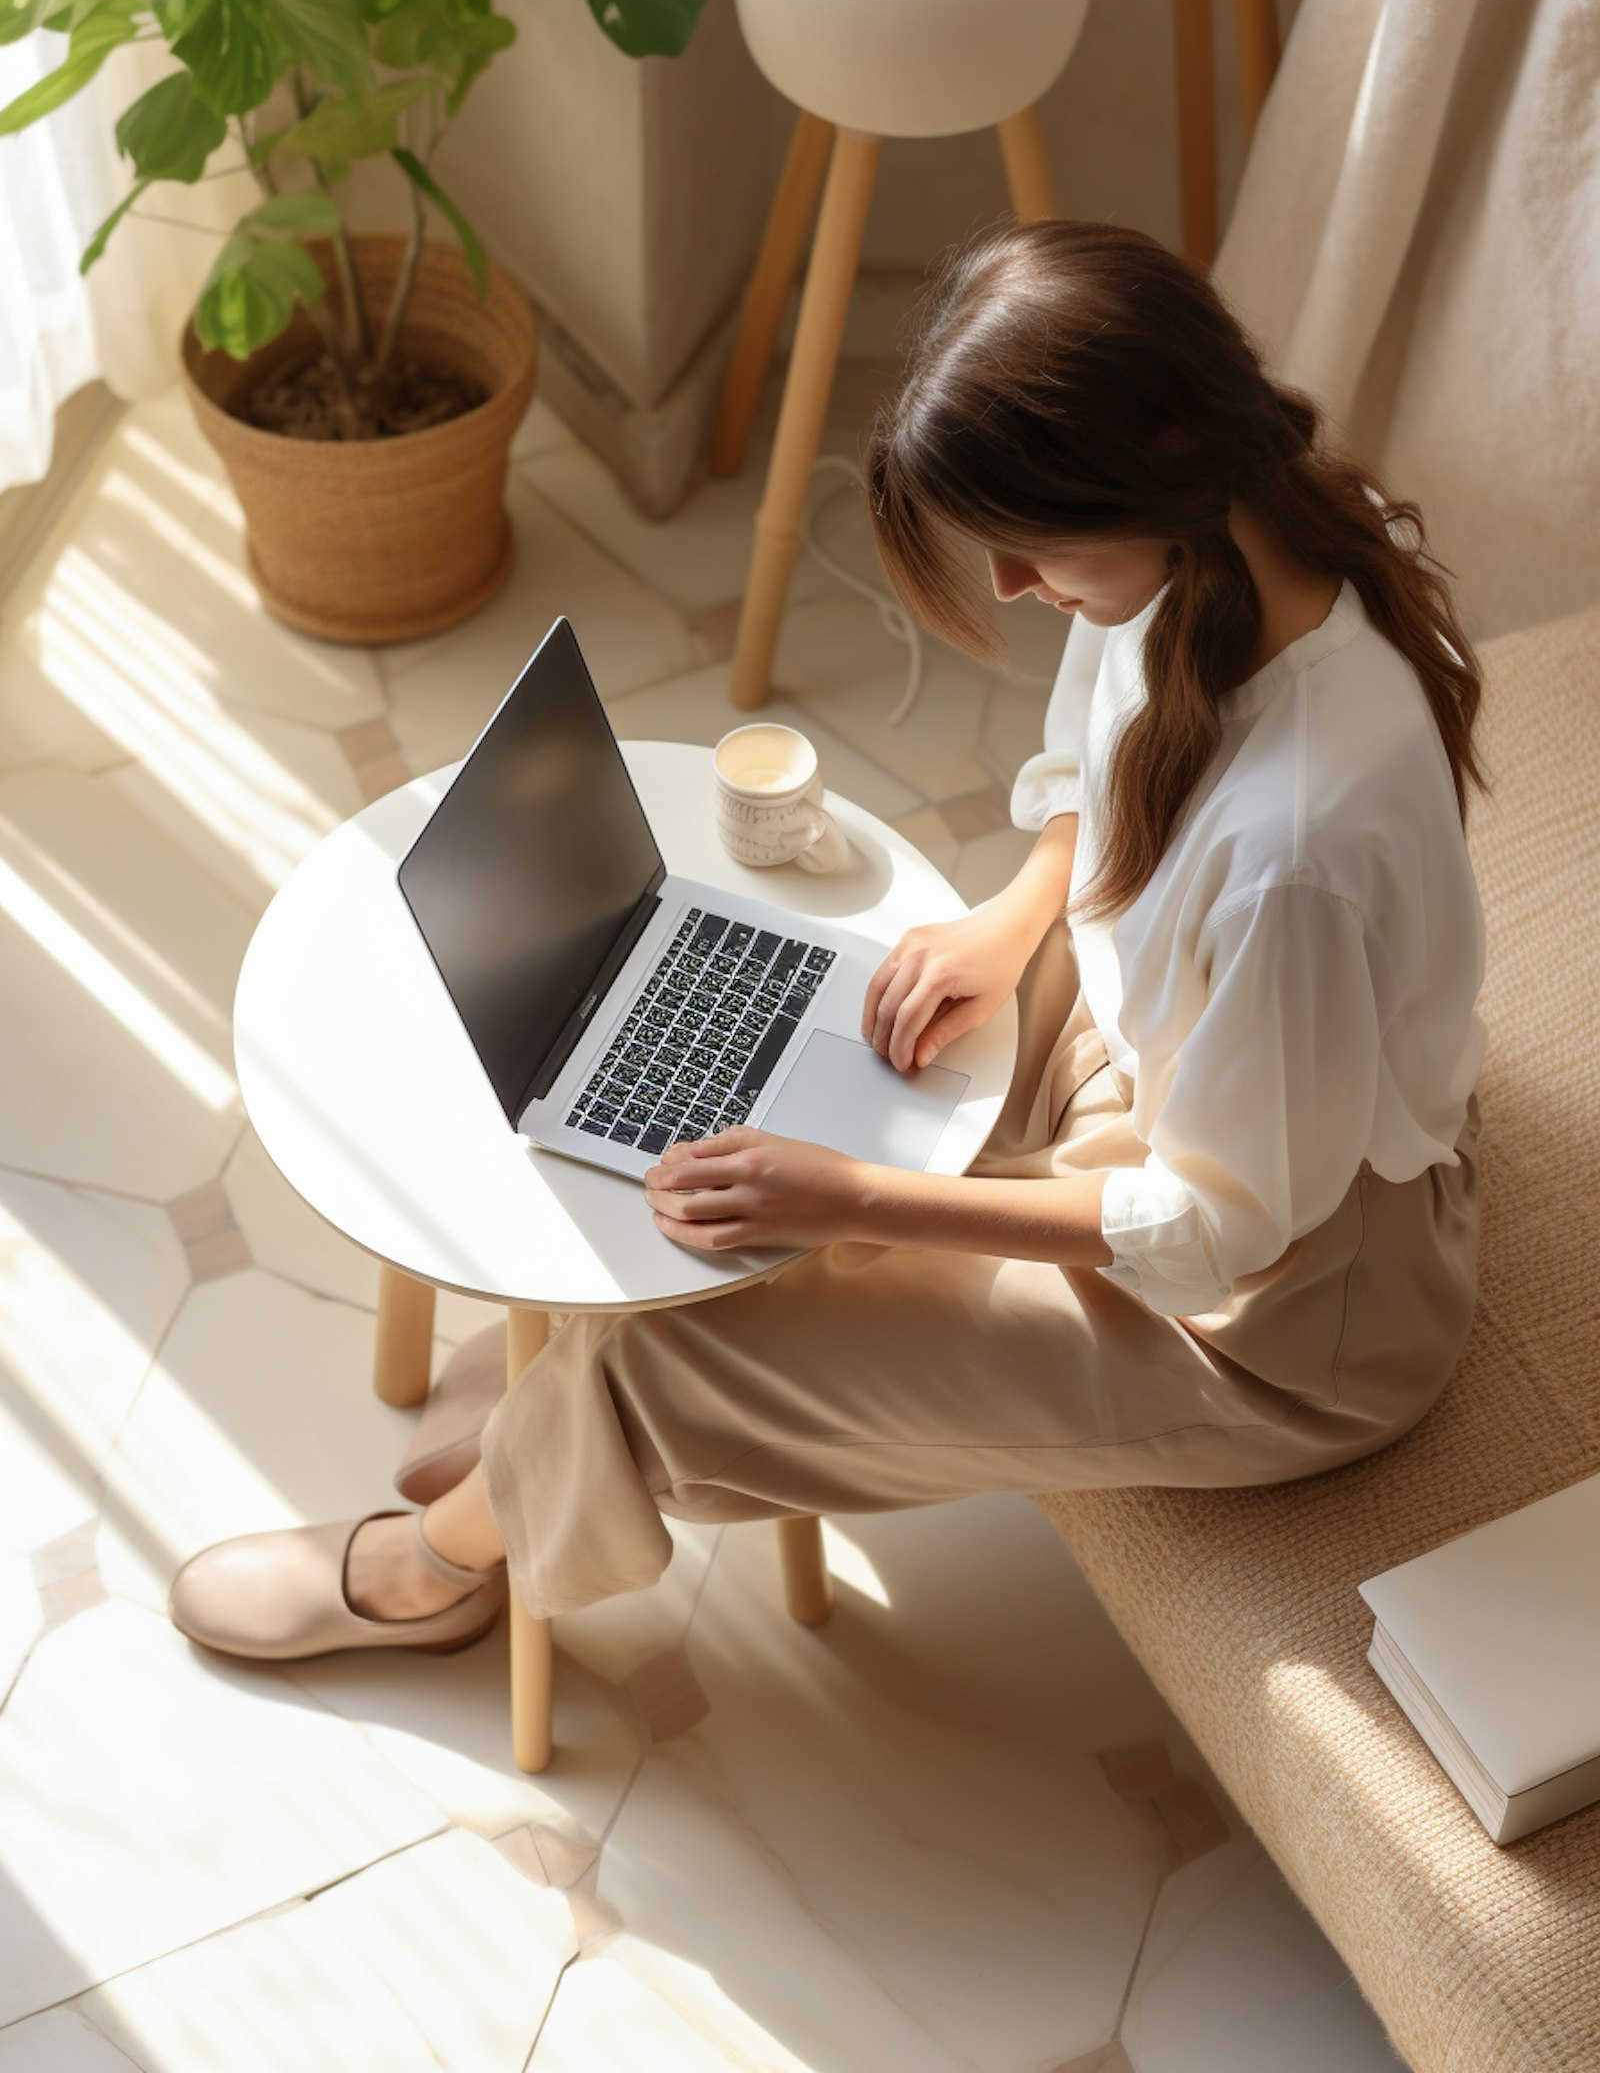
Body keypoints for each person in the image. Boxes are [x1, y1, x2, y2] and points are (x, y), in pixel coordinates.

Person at [167, 219, 1489, 1661]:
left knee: (689, 1353)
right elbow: (1110, 793)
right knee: (831, 1048)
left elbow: (1217, 1226)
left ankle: (437, 1567)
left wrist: (858, 1199)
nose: (1010, 592)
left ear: (1151, 469)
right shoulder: (1230, 560)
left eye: (1028, 552)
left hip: (1277, 1320)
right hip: (1179, 1085)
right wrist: (1010, 917)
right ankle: (567, 1393)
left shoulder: (1294, 848)